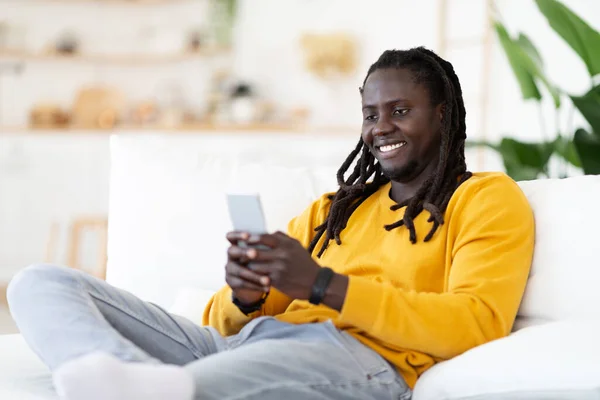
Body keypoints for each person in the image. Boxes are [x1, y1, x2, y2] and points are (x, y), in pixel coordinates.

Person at [7, 47, 534, 400]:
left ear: (443, 114)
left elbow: (476, 321)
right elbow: (222, 326)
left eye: (401, 110)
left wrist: (324, 285)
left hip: (357, 359)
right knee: (40, 283)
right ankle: (124, 383)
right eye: (371, 114)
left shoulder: (485, 198)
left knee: (190, 385)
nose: (381, 128)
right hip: (252, 341)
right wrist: (244, 296)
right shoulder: (336, 208)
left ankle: (144, 388)